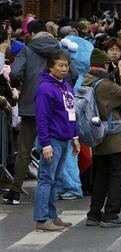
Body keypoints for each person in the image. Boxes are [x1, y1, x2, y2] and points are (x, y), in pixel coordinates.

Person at [4, 20, 77, 206]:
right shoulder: (60, 51)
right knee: (58, 148)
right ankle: (57, 190)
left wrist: (19, 86)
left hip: (31, 105)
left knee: (24, 151)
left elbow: (14, 74)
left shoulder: (27, 50)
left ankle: (15, 191)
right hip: (57, 107)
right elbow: (73, 74)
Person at [83, 49, 121, 227]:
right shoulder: (105, 85)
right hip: (113, 136)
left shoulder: (87, 82)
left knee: (100, 176)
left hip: (97, 135)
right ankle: (111, 214)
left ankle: (94, 213)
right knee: (116, 175)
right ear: (105, 64)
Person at [32, 50, 80, 231]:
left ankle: (52, 216)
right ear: (51, 67)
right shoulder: (45, 89)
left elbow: (71, 113)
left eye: (66, 65)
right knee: (46, 178)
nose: (64, 69)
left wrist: (74, 136)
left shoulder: (66, 86)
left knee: (55, 179)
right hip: (51, 139)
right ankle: (42, 219)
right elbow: (41, 118)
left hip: (64, 138)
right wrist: (45, 144)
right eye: (60, 65)